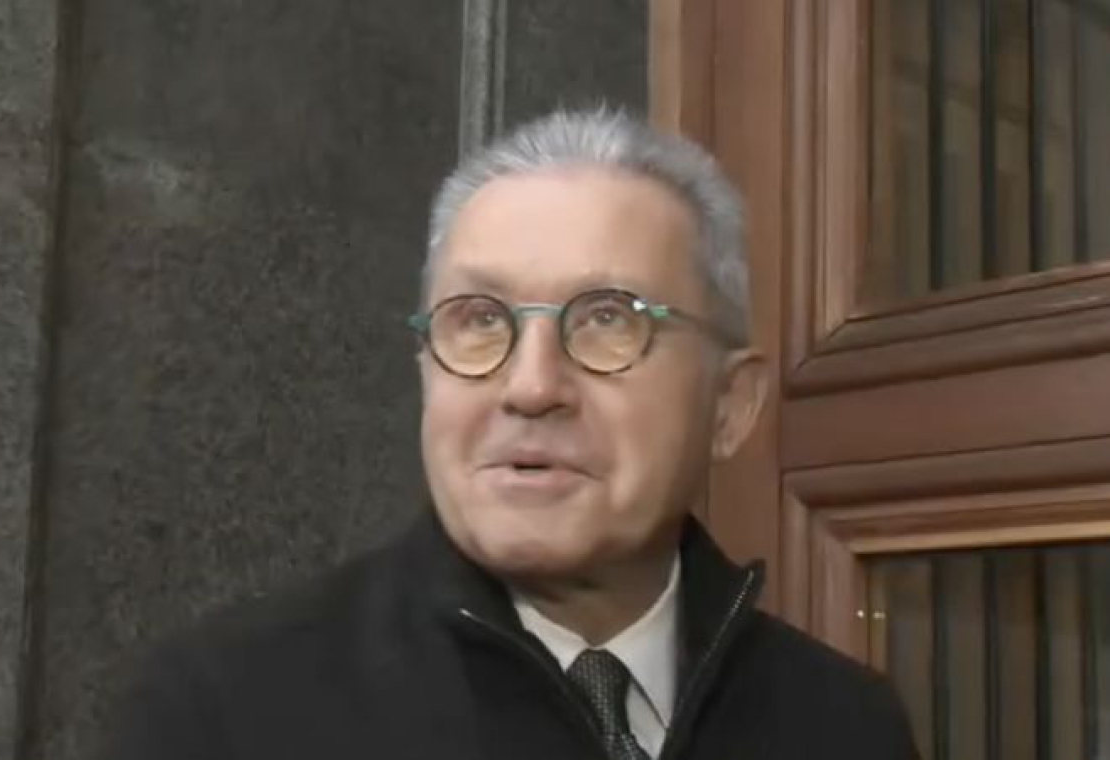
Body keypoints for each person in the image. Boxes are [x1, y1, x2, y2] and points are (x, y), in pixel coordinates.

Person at [103, 108, 918, 760]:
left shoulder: (845, 727)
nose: (530, 387)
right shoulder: (223, 714)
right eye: (480, 320)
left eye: (608, 320)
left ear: (731, 405)